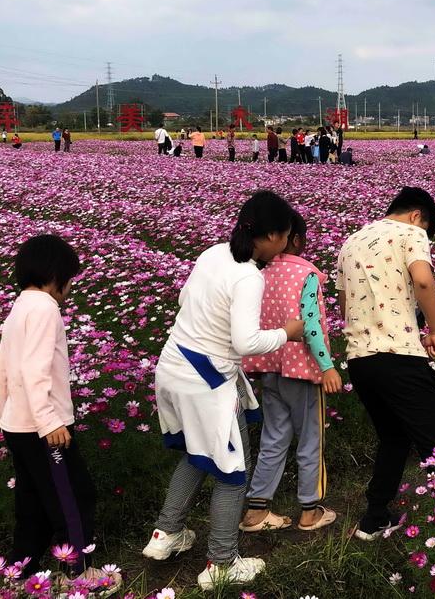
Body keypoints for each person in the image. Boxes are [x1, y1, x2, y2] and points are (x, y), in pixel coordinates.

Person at [143, 191, 304, 590]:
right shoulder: (249, 274)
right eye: (284, 237)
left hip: (173, 364)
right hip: (207, 380)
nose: (286, 244)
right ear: (269, 235)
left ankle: (166, 535)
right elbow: (246, 342)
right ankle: (222, 562)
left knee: (198, 455)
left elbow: (185, 299)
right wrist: (288, 333)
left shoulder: (215, 252)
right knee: (232, 472)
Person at [0, 235, 120, 590]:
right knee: (73, 496)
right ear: (55, 274)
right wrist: (48, 421)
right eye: (70, 279)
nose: (70, 288)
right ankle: (78, 574)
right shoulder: (45, 308)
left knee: (32, 501)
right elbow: (35, 371)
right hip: (44, 427)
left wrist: (9, 416)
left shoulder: (20, 306)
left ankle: (20, 571)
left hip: (19, 424)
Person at [336, 187, 435, 541]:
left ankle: (374, 518)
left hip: (360, 359)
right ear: (419, 216)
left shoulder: (351, 241)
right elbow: (422, 279)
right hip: (399, 354)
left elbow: (343, 306)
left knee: (393, 437)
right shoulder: (412, 233)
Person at [240, 211, 343, 534]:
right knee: (311, 439)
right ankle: (310, 510)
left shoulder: (261, 272)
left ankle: (257, 510)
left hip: (269, 366)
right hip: (302, 369)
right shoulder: (306, 274)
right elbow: (310, 324)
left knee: (274, 437)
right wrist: (326, 366)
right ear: (296, 240)